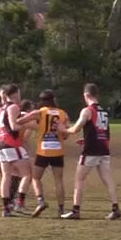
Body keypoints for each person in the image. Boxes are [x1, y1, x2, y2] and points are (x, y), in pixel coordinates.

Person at [60, 83, 121, 220]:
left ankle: (76, 210)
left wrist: (62, 129)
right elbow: (102, 130)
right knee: (107, 179)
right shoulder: (103, 111)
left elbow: (75, 129)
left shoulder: (87, 111)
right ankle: (115, 207)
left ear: (86, 95)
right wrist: (86, 139)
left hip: (91, 150)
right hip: (103, 148)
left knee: (79, 179)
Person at [0, 85, 39, 217]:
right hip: (11, 143)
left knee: (6, 176)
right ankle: (19, 203)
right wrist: (30, 124)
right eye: (18, 93)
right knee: (27, 175)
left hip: (0, 143)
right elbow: (14, 126)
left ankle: (6, 208)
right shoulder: (13, 107)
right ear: (14, 94)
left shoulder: (1, 108)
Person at [29, 90, 70, 218]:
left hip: (43, 150)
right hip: (58, 150)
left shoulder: (40, 113)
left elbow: (27, 123)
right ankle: (61, 209)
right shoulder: (63, 113)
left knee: (35, 178)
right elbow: (66, 134)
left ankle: (40, 200)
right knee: (58, 180)